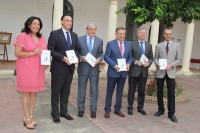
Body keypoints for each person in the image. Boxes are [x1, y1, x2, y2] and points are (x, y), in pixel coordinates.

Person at [14, 16, 47, 129]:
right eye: (34, 23)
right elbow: (17, 53)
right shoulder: (23, 36)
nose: (37, 26)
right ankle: (26, 117)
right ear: (29, 24)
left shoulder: (41, 37)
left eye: (38, 24)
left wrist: (46, 62)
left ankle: (31, 115)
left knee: (34, 92)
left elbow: (44, 52)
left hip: (38, 68)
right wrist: (33, 53)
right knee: (26, 92)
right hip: (25, 68)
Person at [48, 14, 79, 123]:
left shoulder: (74, 35)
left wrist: (76, 57)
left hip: (70, 68)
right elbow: (50, 49)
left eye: (71, 21)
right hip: (58, 68)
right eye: (67, 21)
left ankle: (64, 112)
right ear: (62, 21)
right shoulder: (54, 34)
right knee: (56, 92)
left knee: (66, 92)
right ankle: (55, 113)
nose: (69, 23)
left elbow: (77, 50)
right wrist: (62, 58)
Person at [104, 27, 133, 119]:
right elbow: (106, 57)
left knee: (119, 92)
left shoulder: (128, 44)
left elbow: (130, 57)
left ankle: (117, 109)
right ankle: (107, 110)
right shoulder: (110, 44)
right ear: (116, 34)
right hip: (113, 72)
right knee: (110, 92)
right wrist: (115, 65)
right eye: (120, 33)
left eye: (123, 34)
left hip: (123, 73)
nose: (122, 35)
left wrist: (128, 64)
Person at [154, 28, 181, 123]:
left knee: (171, 92)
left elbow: (178, 59)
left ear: (172, 35)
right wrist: (157, 64)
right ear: (164, 35)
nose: (168, 35)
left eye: (170, 34)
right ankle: (161, 109)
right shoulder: (159, 46)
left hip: (171, 71)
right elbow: (155, 58)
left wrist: (171, 65)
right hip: (160, 72)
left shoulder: (177, 45)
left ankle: (171, 113)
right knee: (159, 91)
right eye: (166, 34)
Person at [77, 22, 103, 119]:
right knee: (81, 90)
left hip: (94, 69)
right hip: (83, 68)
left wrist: (100, 59)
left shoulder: (99, 41)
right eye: (90, 29)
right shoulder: (80, 39)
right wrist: (80, 57)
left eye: (94, 29)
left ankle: (93, 110)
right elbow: (76, 52)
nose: (92, 31)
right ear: (86, 29)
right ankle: (81, 109)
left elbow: (101, 53)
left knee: (94, 90)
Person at [127, 27, 153, 115]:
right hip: (134, 71)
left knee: (142, 91)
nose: (143, 34)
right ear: (137, 34)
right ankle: (130, 107)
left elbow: (151, 58)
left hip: (144, 71)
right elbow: (129, 56)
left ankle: (140, 107)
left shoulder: (149, 45)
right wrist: (135, 62)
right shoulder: (131, 44)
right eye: (141, 33)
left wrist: (148, 63)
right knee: (131, 90)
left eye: (145, 33)